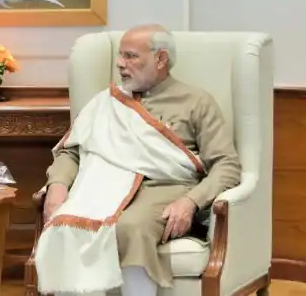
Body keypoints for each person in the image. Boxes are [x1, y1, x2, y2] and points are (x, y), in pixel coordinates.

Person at [34, 25, 242, 296]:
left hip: (164, 188)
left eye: (130, 56)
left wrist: (191, 201)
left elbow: (227, 165)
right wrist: (57, 185)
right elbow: (72, 151)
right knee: (67, 223)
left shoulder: (196, 102)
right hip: (101, 185)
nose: (120, 64)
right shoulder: (107, 102)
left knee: (129, 228)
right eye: (120, 55)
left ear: (160, 59)